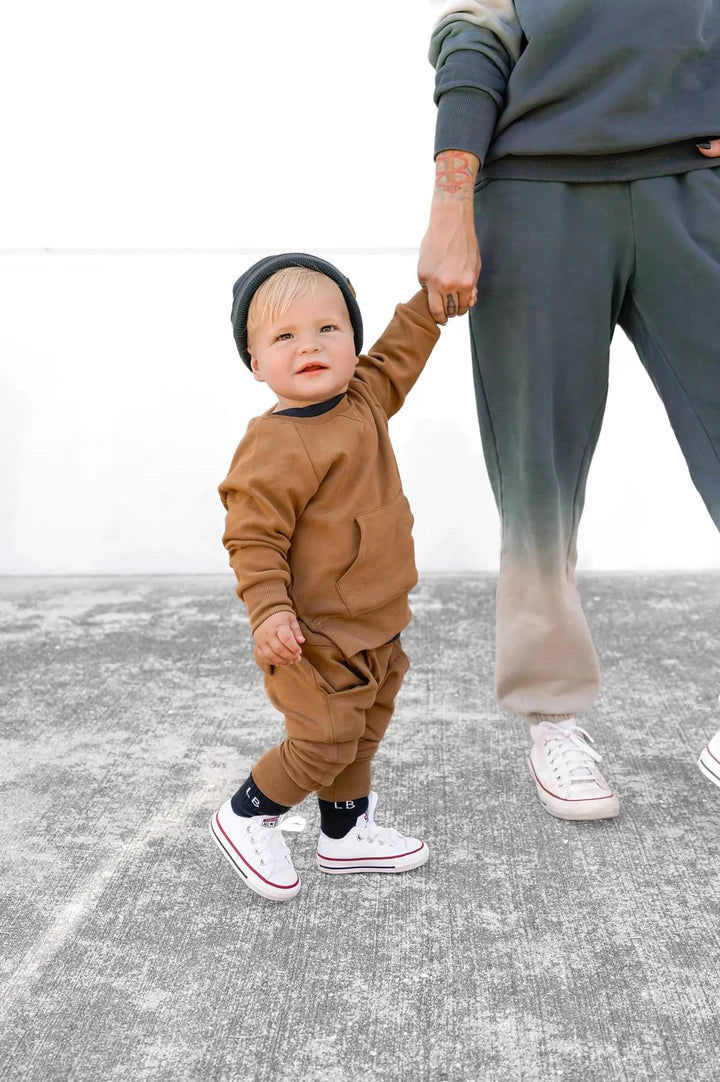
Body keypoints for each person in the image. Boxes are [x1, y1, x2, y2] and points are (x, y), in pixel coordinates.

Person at [418, 0, 720, 820]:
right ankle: (552, 716)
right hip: (534, 193)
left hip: (694, 186)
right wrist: (451, 206)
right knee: (537, 473)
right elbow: (474, 34)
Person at [210, 253, 440, 901]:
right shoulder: (275, 445)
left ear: (353, 343)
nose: (308, 345)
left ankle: (344, 834)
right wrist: (269, 611)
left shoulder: (364, 397)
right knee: (324, 740)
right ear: (257, 364)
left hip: (378, 620)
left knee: (362, 732)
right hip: (312, 637)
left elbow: (401, 353)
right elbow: (253, 536)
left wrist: (431, 305)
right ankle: (248, 814)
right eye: (284, 336)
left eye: (327, 329)